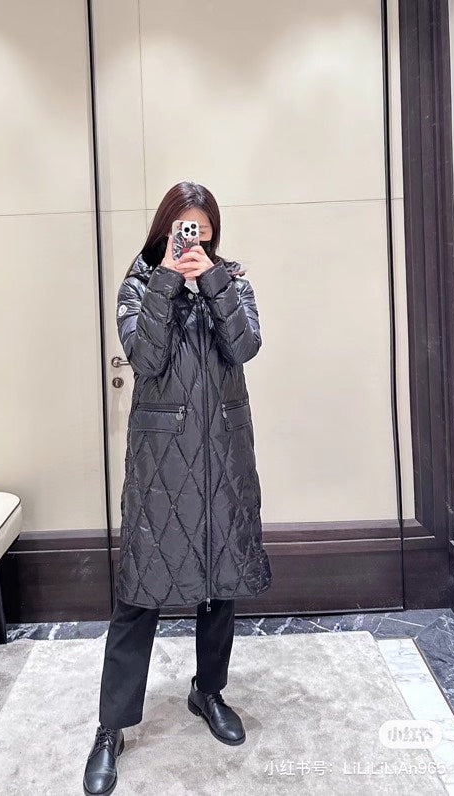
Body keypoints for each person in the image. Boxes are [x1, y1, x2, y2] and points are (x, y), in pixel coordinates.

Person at [83, 181, 272, 796]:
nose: (192, 240)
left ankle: (208, 691)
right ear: (165, 230)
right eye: (183, 229)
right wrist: (167, 280)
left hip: (222, 455)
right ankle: (111, 728)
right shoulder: (139, 286)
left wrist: (211, 280)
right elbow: (146, 359)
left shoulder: (232, 281)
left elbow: (245, 345)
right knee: (138, 592)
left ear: (213, 235)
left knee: (220, 582)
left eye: (202, 231)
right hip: (161, 462)